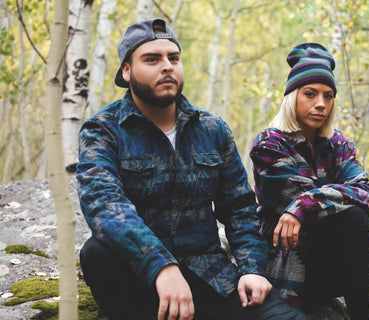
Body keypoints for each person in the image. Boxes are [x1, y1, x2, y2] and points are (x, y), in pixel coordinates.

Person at [77, 18, 308, 320]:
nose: (167, 66)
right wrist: (161, 265)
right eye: (152, 59)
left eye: (174, 58)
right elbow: (104, 206)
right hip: (142, 279)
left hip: (211, 277)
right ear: (126, 71)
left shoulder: (212, 130)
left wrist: (251, 269)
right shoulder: (102, 131)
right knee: (96, 252)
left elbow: (239, 209)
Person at [249, 42, 369, 320]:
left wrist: (305, 205)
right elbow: (323, 203)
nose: (321, 104)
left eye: (328, 96)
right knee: (354, 217)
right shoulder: (269, 144)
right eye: (310, 94)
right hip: (292, 268)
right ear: (292, 96)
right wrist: (343, 203)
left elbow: (365, 190)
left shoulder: (337, 143)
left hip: (338, 263)